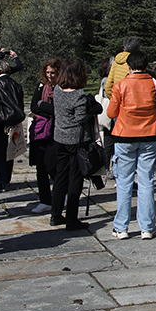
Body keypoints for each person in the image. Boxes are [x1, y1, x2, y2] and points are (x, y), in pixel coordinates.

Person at [107, 49, 156, 240]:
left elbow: (110, 113)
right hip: (149, 136)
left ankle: (121, 227)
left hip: (125, 136)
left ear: (129, 67)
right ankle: (147, 227)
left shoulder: (120, 86)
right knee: (146, 181)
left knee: (123, 182)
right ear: (146, 66)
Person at [51, 57, 106, 231]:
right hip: (76, 141)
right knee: (75, 179)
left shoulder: (57, 90)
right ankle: (72, 218)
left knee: (60, 177)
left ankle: (56, 214)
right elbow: (80, 118)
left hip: (59, 137)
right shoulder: (78, 95)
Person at [0, 58, 25, 192]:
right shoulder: (16, 85)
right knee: (10, 150)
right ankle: (7, 178)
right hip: (14, 121)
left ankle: (0, 182)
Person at [27, 58, 61, 214]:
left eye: (52, 73)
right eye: (47, 72)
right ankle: (45, 200)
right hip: (41, 131)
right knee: (41, 166)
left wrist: (43, 106)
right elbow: (34, 105)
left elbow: (58, 110)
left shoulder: (61, 88)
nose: (49, 76)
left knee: (53, 166)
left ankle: (61, 194)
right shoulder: (42, 87)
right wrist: (45, 108)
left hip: (56, 132)